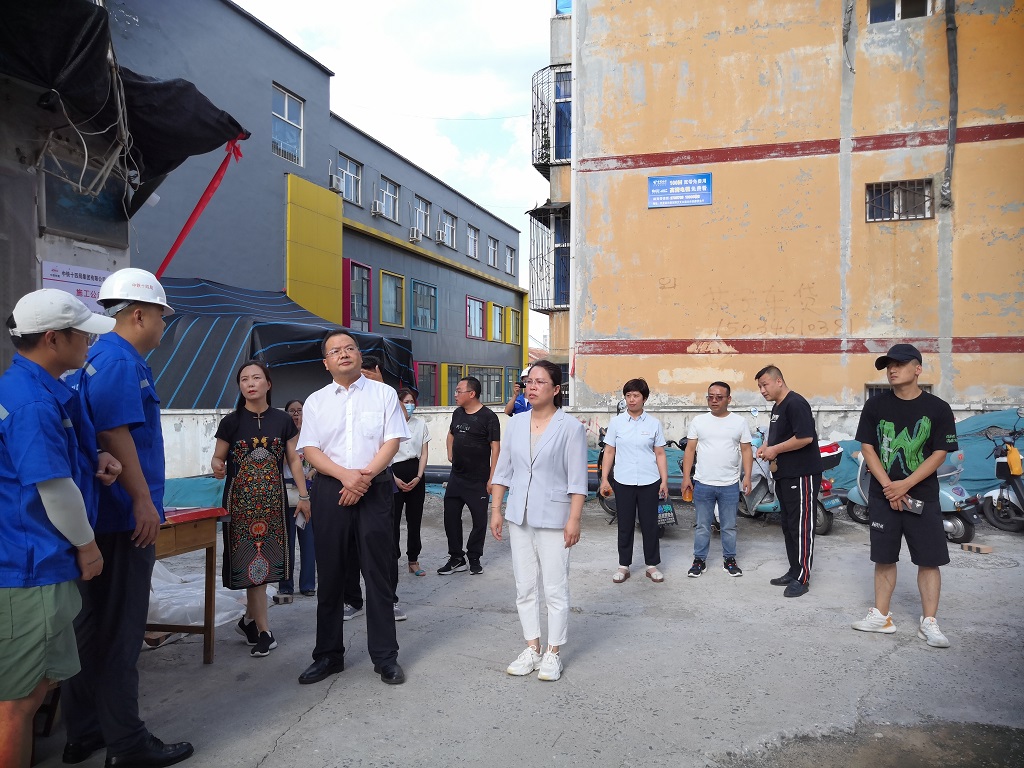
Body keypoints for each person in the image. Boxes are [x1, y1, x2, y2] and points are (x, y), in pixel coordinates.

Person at [63, 269, 194, 767]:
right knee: (119, 631)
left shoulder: (100, 357)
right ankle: (127, 744)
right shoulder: (119, 359)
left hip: (103, 516)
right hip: (121, 518)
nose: (163, 326)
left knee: (91, 627)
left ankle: (86, 732)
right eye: (161, 316)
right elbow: (115, 433)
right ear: (139, 314)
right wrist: (142, 500)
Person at [0, 290, 118, 768]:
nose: (89, 341)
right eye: (82, 333)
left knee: (32, 687)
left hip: (25, 557)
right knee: (20, 702)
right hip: (30, 565)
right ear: (53, 339)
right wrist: (88, 546)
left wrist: (96, 458)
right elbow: (53, 488)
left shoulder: (28, 387)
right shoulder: (33, 402)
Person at [296, 331, 410, 686]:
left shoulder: (383, 394)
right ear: (326, 362)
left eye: (349, 348)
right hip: (331, 489)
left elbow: (392, 441)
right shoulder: (315, 401)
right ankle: (328, 655)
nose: (343, 354)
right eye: (335, 351)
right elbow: (310, 449)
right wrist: (346, 477)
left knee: (378, 573)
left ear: (359, 356)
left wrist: (363, 478)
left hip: (374, 489)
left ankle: (385, 657)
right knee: (331, 574)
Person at [851, 344, 958, 648]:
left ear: (918, 368)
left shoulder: (938, 408)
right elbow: (868, 448)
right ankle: (881, 617)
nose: (892, 370)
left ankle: (929, 622)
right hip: (883, 495)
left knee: (929, 559)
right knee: (884, 557)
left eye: (899, 364)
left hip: (923, 495)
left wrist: (905, 484)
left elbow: (940, 453)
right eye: (889, 365)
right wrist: (890, 486)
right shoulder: (875, 406)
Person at [490, 360, 588, 682]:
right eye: (529, 381)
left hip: (555, 518)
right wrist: (496, 509)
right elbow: (503, 471)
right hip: (519, 515)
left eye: (540, 382)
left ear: (556, 389)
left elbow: (577, 480)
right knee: (524, 586)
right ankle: (532, 647)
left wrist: (574, 519)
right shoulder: (516, 423)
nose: (531, 387)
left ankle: (552, 652)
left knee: (555, 588)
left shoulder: (570, 428)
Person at [212, 362, 309, 657]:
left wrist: (304, 495)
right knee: (251, 566)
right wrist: (217, 466)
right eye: (244, 379)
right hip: (240, 505)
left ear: (268, 383)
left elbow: (294, 460)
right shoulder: (231, 422)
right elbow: (218, 458)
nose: (250, 383)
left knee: (266, 565)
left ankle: (251, 623)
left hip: (273, 503)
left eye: (256, 378)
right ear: (240, 386)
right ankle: (263, 630)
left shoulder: (283, 420)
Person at [754, 365, 822, 599]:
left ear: (779, 381)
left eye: (765, 384)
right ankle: (794, 570)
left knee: (802, 526)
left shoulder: (796, 403)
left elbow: (805, 437)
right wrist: (766, 446)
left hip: (801, 474)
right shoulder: (778, 406)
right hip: (784, 475)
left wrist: (774, 450)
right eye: (759, 386)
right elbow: (778, 436)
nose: (762, 390)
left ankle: (802, 578)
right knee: (789, 525)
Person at [599, 378, 669, 583]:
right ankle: (624, 565)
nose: (631, 399)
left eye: (636, 395)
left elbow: (660, 454)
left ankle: (651, 565)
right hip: (623, 480)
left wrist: (664, 480)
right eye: (628, 395)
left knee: (650, 524)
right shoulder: (617, 423)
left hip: (650, 480)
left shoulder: (654, 423)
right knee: (625, 524)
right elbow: (609, 451)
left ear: (644, 398)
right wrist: (604, 479)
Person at [681, 381, 753, 578]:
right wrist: (686, 477)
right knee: (702, 526)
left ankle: (729, 560)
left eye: (719, 397)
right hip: (703, 483)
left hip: (729, 484)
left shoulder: (739, 422)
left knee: (729, 526)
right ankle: (699, 560)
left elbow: (746, 450)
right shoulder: (699, 421)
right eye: (710, 397)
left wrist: (747, 476)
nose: (714, 401)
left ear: (729, 399)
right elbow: (690, 450)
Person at [439, 376, 500, 575]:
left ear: (472, 394)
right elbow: (451, 434)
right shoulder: (457, 413)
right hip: (456, 477)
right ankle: (456, 558)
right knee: (450, 518)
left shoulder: (489, 417)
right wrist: (450, 452)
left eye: (459, 391)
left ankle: (474, 557)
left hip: (478, 480)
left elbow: (496, 448)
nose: (455, 394)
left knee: (479, 522)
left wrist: (492, 478)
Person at [277, 399, 317, 600]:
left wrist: (313, 471)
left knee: (309, 542)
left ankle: (308, 584)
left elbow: (320, 460)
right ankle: (285, 586)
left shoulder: (312, 436)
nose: (296, 414)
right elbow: (283, 461)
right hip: (286, 495)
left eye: (299, 411)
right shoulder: (281, 437)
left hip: (308, 496)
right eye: (291, 411)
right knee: (287, 543)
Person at [392, 388, 430, 577]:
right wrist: (394, 478)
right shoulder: (390, 424)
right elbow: (382, 453)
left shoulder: (420, 424)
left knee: (414, 520)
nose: (410, 405)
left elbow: (424, 453)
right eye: (406, 402)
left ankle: (413, 560)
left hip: (416, 474)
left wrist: (418, 476)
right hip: (394, 475)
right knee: (393, 521)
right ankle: (392, 559)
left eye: (412, 401)